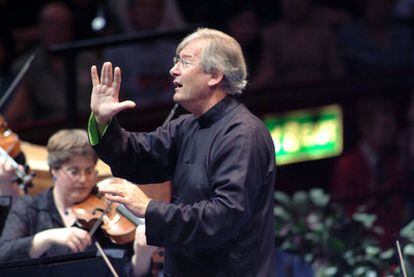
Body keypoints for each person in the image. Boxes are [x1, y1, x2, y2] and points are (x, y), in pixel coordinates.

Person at [88, 28, 276, 276]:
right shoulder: (187, 125)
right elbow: (136, 156)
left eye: (184, 62)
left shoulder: (243, 134)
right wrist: (103, 122)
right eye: (176, 61)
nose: (173, 70)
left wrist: (148, 208)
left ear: (215, 75)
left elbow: (222, 217)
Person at [330, 96, 407, 248]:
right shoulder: (347, 166)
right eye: (385, 126)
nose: (392, 131)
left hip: (396, 242)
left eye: (392, 125)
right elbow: (344, 215)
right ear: (366, 128)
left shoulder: (394, 163)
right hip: (362, 247)